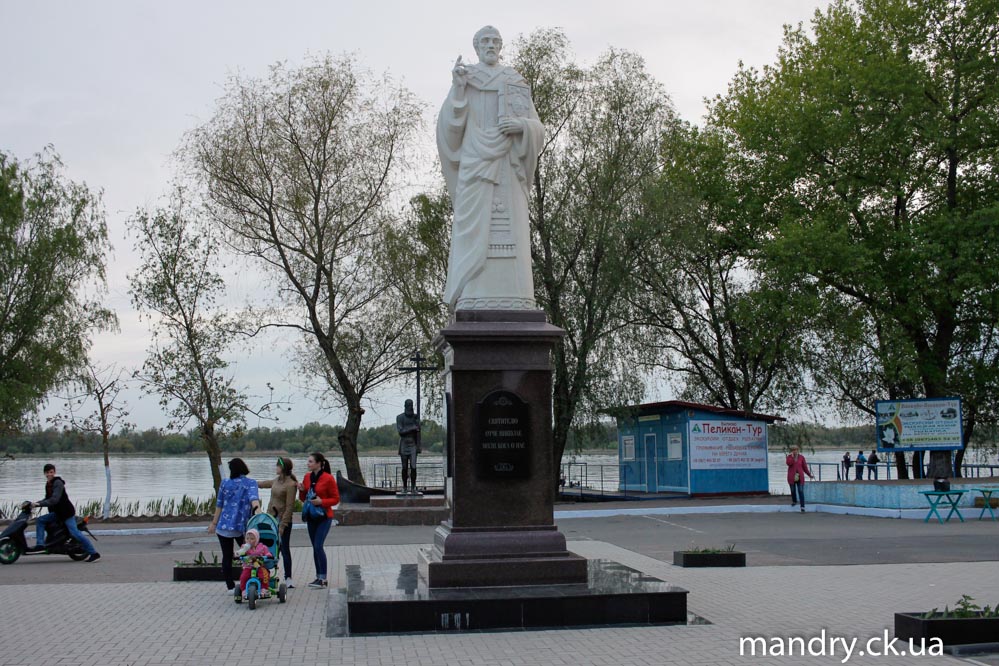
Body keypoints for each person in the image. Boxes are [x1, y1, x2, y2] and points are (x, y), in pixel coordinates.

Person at [437, 25, 545, 311]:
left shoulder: (513, 82)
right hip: (475, 166)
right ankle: (473, 295)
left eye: (495, 41)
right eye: (484, 41)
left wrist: (521, 126)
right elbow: (450, 127)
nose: (490, 45)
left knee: (513, 232)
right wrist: (459, 90)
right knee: (470, 228)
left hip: (508, 167)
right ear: (476, 46)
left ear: (501, 45)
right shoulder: (466, 79)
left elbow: (537, 127)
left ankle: (516, 299)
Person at [208, 458, 260, 594]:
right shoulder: (250, 483)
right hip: (241, 526)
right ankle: (250, 580)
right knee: (249, 553)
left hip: (223, 526)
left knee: (227, 556)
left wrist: (214, 523)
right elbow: (254, 500)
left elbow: (219, 504)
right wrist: (258, 513)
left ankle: (230, 586)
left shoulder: (225, 483)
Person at [33, 463, 100, 562]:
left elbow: (54, 499)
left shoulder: (58, 483)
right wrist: (34, 503)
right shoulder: (48, 484)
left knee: (75, 533)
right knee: (40, 520)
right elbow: (48, 498)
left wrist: (39, 504)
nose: (49, 474)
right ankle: (40, 545)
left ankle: (94, 553)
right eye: (47, 473)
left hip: (66, 513)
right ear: (44, 473)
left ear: (54, 472)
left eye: (51, 472)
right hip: (57, 513)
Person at [298, 452, 340, 589]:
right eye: (308, 461)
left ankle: (323, 578)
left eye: (310, 461)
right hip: (311, 516)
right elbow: (304, 499)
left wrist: (322, 501)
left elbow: (336, 499)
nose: (308, 463)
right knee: (315, 548)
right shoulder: (307, 477)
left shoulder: (328, 478)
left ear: (318, 463)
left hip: (324, 516)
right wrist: (302, 490)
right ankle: (318, 577)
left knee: (318, 545)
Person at [256, 457, 297, 588]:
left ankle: (288, 577)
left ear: (283, 468)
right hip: (271, 519)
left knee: (284, 548)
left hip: (282, 519)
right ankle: (265, 576)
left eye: (277, 466)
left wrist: (283, 525)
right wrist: (249, 482)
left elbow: (290, 506)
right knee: (269, 548)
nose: (276, 468)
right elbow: (262, 484)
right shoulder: (276, 481)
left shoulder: (290, 484)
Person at [235, 528, 272, 596]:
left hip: (259, 566)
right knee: (243, 576)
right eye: (247, 538)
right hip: (248, 566)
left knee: (264, 575)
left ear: (256, 539)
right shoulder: (244, 547)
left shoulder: (262, 547)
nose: (249, 541)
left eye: (252, 539)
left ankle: (264, 588)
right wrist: (240, 553)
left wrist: (268, 556)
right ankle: (243, 590)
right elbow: (240, 553)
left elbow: (267, 553)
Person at [396, 399, 421, 494]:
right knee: (404, 467)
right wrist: (413, 428)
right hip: (404, 444)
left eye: (411, 405)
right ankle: (405, 487)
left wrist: (419, 446)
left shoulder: (415, 417)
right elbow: (400, 431)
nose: (410, 407)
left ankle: (413, 487)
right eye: (408, 405)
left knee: (413, 466)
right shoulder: (400, 417)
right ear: (405, 406)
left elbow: (419, 432)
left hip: (413, 445)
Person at [785, 446, 815, 512]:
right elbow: (788, 463)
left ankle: (802, 506)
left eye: (796, 450)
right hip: (791, 477)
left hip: (800, 477)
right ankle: (794, 501)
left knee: (800, 491)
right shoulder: (789, 457)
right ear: (791, 451)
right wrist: (792, 457)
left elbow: (805, 467)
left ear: (798, 450)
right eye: (793, 450)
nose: (795, 451)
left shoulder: (801, 457)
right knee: (793, 490)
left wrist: (809, 475)